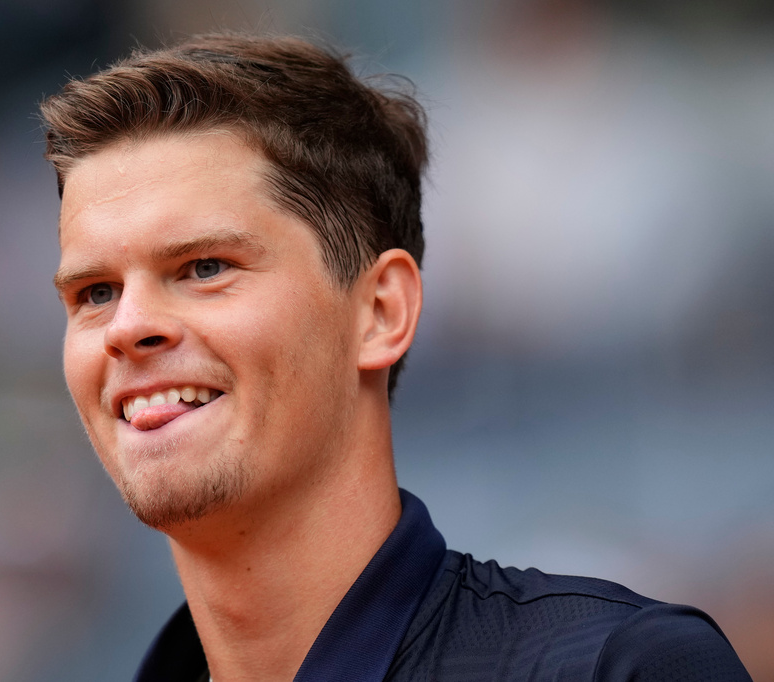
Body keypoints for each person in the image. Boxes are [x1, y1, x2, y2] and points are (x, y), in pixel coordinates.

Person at [40, 33, 751, 681]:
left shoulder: (616, 669)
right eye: (95, 292)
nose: (126, 327)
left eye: (203, 267)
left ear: (381, 311)